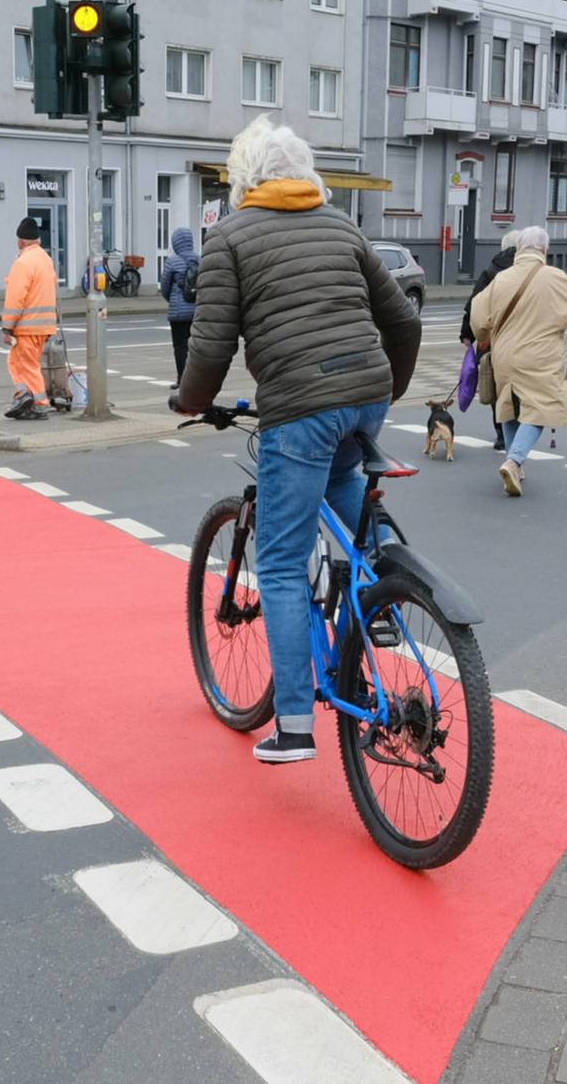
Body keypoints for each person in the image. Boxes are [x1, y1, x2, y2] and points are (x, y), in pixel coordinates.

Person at [171, 116, 421, 764]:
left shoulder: (229, 237)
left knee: (280, 563)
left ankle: (292, 724)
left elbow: (211, 344)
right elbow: (403, 319)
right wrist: (384, 394)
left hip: (301, 408)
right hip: (365, 395)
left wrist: (190, 400)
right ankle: (383, 595)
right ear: (304, 172)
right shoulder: (343, 226)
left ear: (244, 179)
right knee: (344, 514)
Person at [468, 225, 567, 497]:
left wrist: (484, 333)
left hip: (503, 356)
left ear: (519, 249)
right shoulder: (556, 278)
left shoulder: (501, 279)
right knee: (541, 408)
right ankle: (514, 461)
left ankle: (516, 466)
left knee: (510, 406)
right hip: (540, 356)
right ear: (545, 250)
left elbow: (477, 318)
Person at [459, 230, 522, 450]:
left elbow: (474, 304)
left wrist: (467, 334)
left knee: (495, 388)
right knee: (521, 386)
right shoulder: (530, 273)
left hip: (492, 341)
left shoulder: (490, 271)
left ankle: (501, 434)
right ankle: (518, 431)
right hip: (522, 340)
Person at [1, 217, 59, 420]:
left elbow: (15, 298)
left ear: (21, 241)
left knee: (22, 365)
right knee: (27, 364)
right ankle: (24, 398)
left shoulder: (23, 262)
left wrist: (7, 327)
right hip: (43, 326)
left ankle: (36, 402)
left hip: (26, 326)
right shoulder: (46, 260)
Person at [159, 226, 199, 377]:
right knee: (195, 346)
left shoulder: (172, 262)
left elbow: (164, 287)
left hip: (178, 313)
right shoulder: (200, 259)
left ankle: (182, 378)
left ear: (175, 243)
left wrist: (173, 301)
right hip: (197, 311)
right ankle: (195, 378)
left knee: (179, 346)